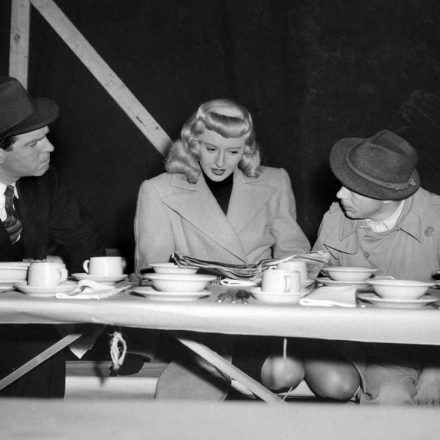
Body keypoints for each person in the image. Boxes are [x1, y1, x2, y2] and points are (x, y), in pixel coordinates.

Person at [134, 98, 310, 398]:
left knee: (286, 372)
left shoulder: (276, 181)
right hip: (195, 323)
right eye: (210, 149)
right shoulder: (158, 189)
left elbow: (295, 258)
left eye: (233, 152)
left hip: (262, 319)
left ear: (247, 150)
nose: (220, 162)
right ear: (193, 144)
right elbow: (151, 274)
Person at [311, 129, 440, 405]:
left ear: (386, 197)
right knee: (392, 400)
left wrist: (435, 369)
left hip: (435, 346)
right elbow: (312, 286)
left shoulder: (436, 218)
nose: (339, 193)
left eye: (353, 189)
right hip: (379, 349)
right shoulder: (336, 220)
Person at [0, 76, 104, 397]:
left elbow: (84, 243)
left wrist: (92, 293)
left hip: (26, 327)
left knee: (43, 348)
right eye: (34, 143)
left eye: (46, 136)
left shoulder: (45, 184)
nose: (50, 147)